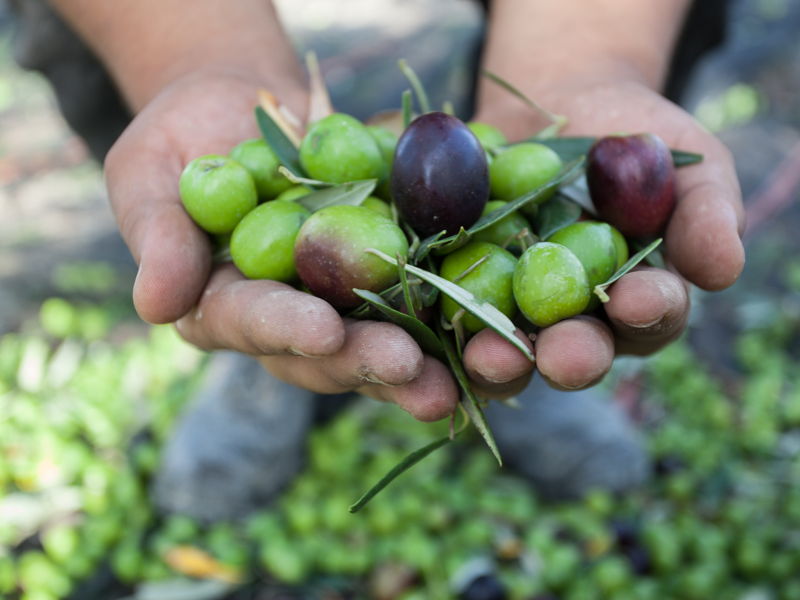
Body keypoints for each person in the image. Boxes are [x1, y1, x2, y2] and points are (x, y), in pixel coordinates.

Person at [13, 0, 744, 518]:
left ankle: (514, 346)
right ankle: (276, 333)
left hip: (489, 240)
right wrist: (192, 59)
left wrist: (582, 59)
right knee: (277, 287)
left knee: (533, 319)